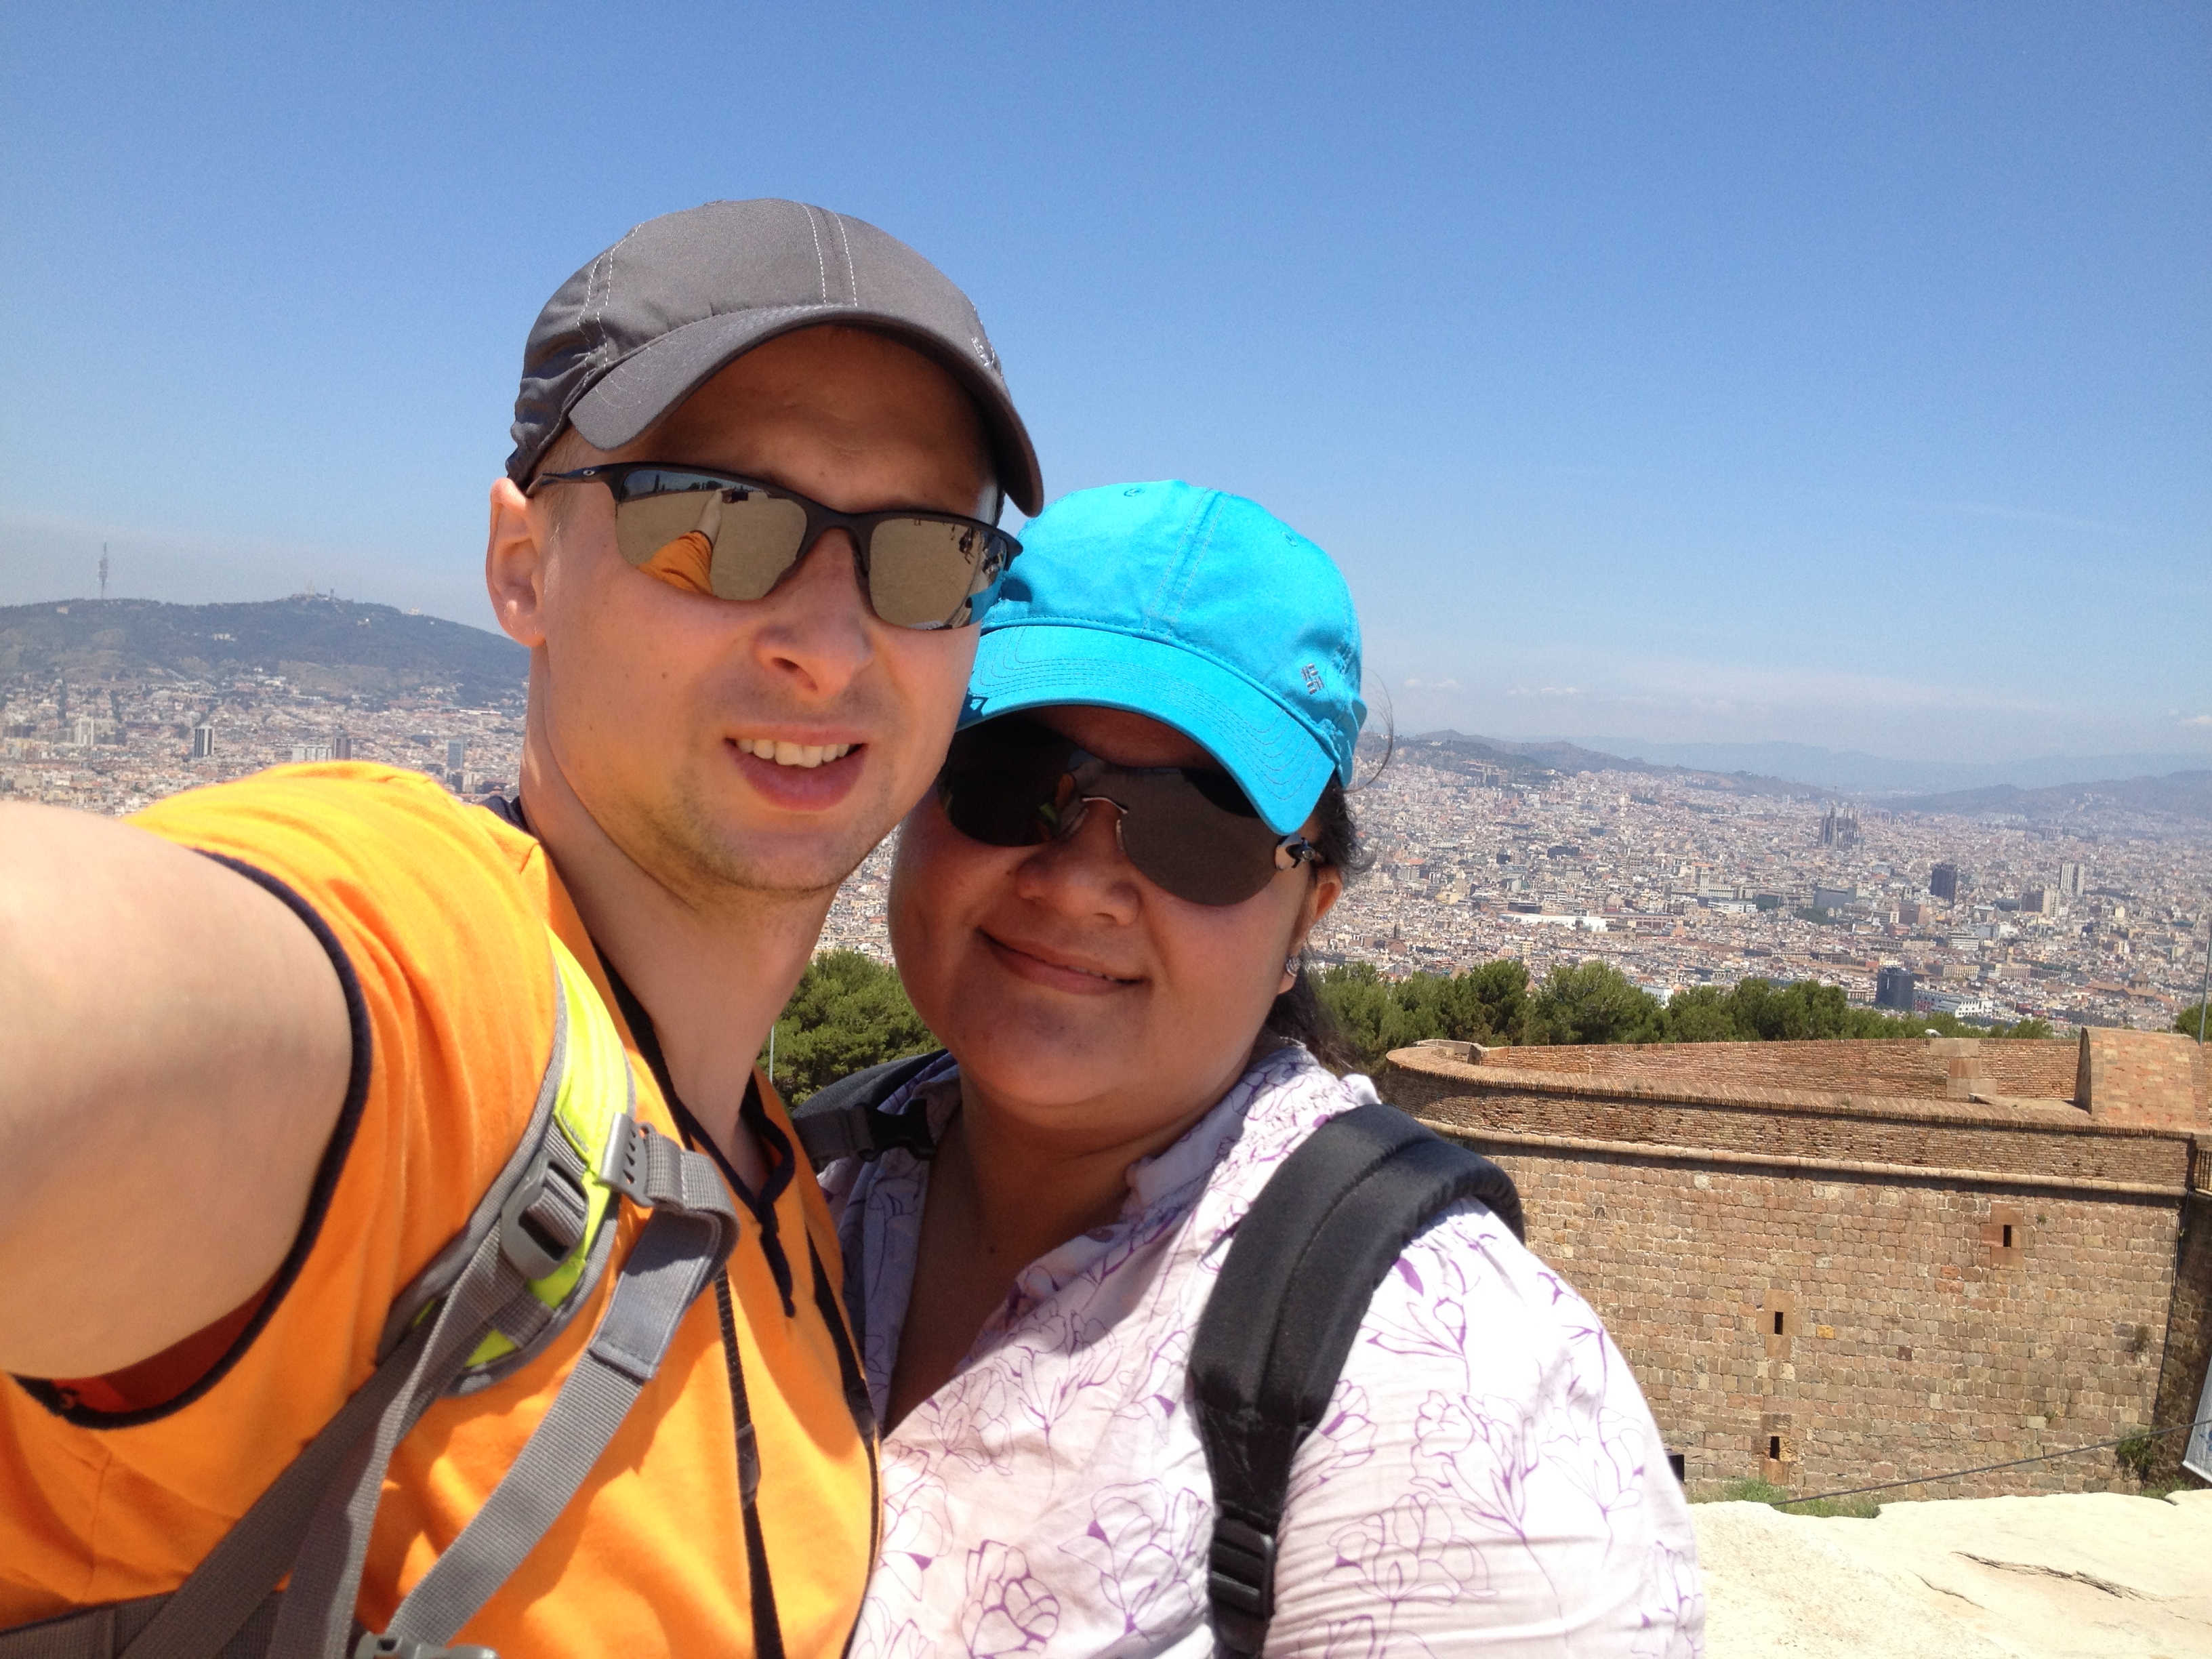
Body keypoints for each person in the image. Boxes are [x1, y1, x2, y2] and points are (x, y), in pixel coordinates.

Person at [0, 199, 1042, 1657]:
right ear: (522, 565)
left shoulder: (792, 1201)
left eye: (926, 556)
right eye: (713, 525)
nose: (828, 639)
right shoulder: (438, 987)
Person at [820, 481, 1704, 1656]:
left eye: (1201, 826)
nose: (1077, 881)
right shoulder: (795, 1180)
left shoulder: (1458, 1392)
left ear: (1307, 913)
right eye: (1012, 778)